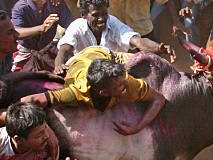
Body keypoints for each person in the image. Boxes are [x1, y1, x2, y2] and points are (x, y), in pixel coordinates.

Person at [21, 46, 167, 136]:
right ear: (103, 92)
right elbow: (31, 100)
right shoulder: (77, 92)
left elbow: (159, 99)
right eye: (119, 87)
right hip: (78, 61)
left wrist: (137, 127)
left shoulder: (126, 81)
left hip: (103, 53)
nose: (125, 88)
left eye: (124, 81)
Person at [53, 0, 177, 72]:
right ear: (84, 15)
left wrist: (159, 48)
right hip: (85, 71)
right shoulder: (76, 26)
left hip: (115, 73)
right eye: (96, 15)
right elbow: (65, 49)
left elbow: (137, 42)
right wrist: (59, 65)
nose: (101, 19)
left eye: (104, 14)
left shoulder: (113, 22)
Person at [11, 0, 75, 72]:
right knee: (19, 82)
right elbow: (16, 32)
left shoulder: (55, 2)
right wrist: (42, 28)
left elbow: (71, 26)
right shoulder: (20, 8)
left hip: (48, 49)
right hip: (26, 52)